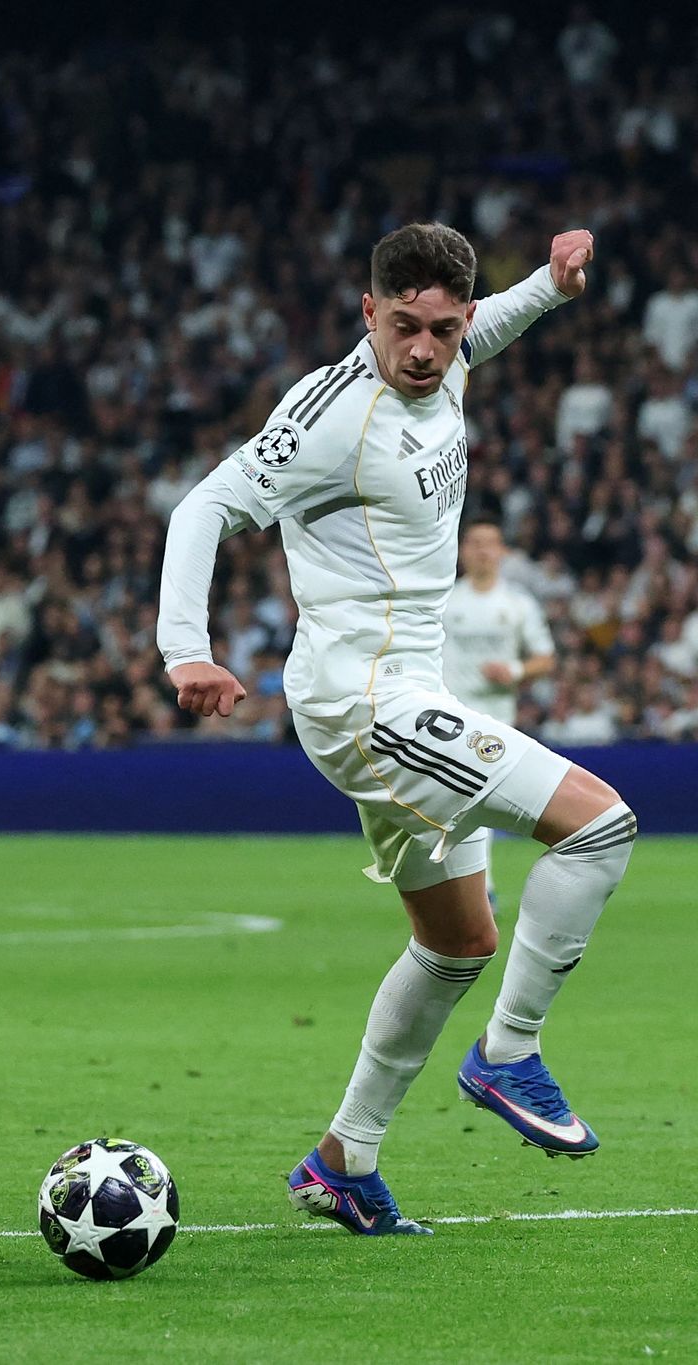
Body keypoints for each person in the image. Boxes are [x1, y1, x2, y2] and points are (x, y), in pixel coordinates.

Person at [157, 223, 634, 1235]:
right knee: (598, 827)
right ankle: (508, 1053)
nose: (423, 351)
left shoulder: (451, 353)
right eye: (403, 327)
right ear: (366, 312)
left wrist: (545, 288)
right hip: (361, 695)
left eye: (442, 329)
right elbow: (201, 507)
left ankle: (342, 1162)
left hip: (410, 692)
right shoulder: (328, 414)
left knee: (456, 940)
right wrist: (183, 649)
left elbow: (485, 331)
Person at [441, 517, 557, 909]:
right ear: (462, 551)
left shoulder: (518, 604)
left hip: (496, 719)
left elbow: (545, 658)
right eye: (475, 543)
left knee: (472, 803)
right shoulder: (444, 599)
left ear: (503, 552)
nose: (483, 551)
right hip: (447, 716)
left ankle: (476, 890)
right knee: (456, 803)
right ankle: (470, 890)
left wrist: (516, 671)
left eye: (491, 543)